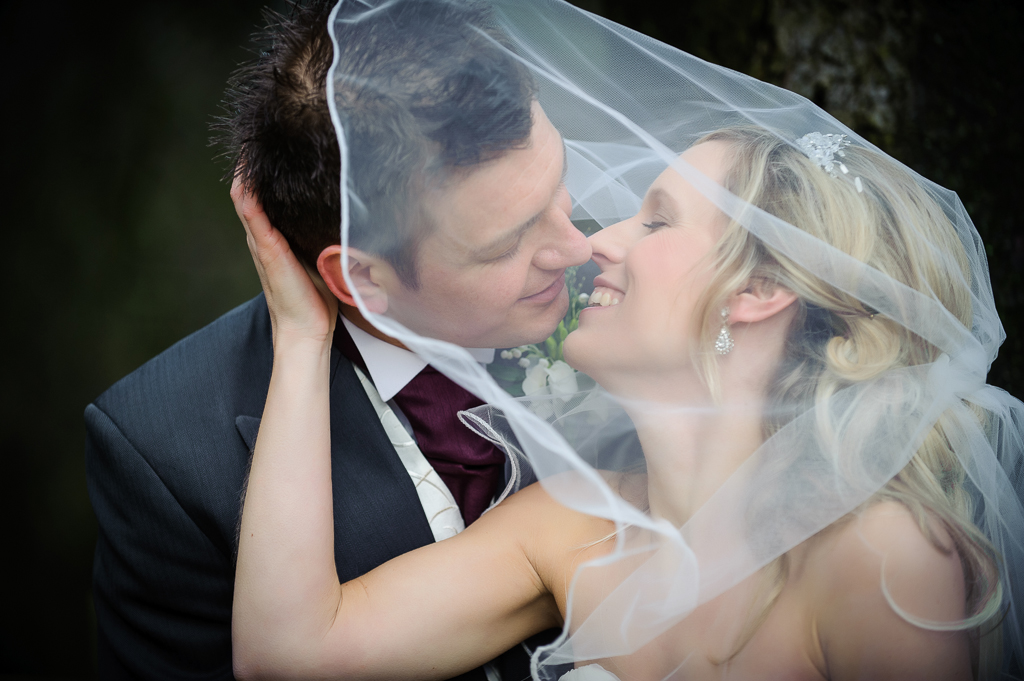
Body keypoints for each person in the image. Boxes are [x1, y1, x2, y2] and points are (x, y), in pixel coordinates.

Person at [231, 1, 1024, 679]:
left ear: (758, 291)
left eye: (656, 219)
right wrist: (303, 335)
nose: (594, 242)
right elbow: (288, 653)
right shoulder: (567, 526)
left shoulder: (880, 560)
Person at [84, 0, 588, 677]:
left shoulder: (652, 295)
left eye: (558, 187)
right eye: (506, 243)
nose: (578, 245)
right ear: (360, 277)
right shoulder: (165, 453)